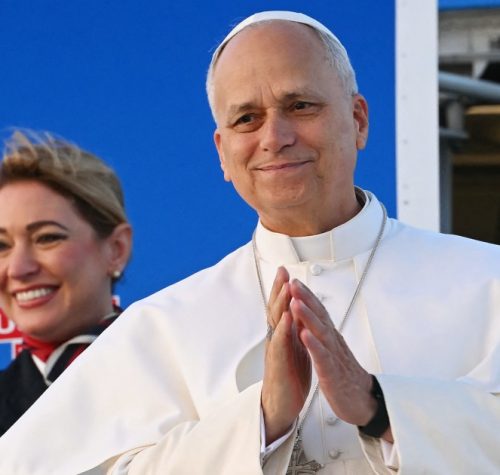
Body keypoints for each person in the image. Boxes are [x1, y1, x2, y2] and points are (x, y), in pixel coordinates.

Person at [0, 11, 499, 475]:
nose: (275, 136)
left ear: (358, 120)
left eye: (300, 106)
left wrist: (380, 408)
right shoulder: (164, 326)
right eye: (246, 119)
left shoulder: (486, 281)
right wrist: (261, 419)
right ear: (223, 152)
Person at [0, 130, 132, 437]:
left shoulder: (181, 365)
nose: (18, 268)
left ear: (116, 249)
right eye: (2, 246)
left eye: (47, 238)